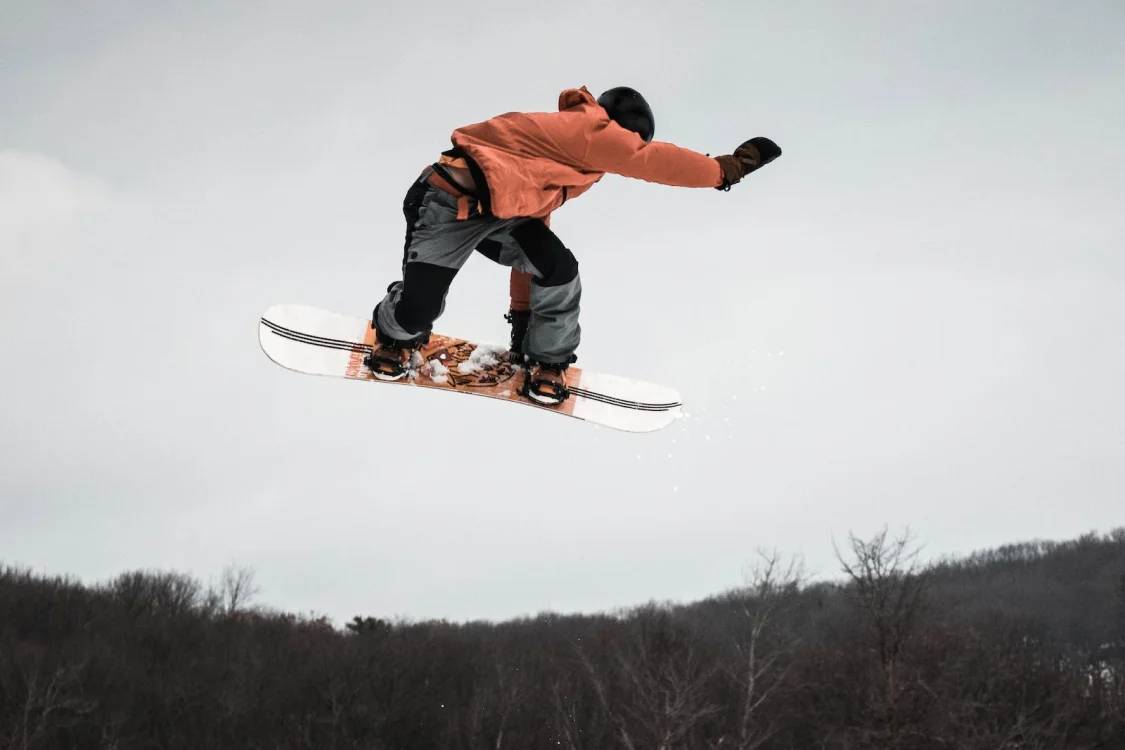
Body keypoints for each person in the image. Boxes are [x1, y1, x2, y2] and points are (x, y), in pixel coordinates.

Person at [366, 86, 781, 404]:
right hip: (445, 204)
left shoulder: (572, 163)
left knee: (558, 268)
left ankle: (547, 359)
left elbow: (533, 238)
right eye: (628, 145)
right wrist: (726, 169)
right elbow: (654, 161)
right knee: (417, 311)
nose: (622, 157)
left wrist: (525, 321)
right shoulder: (589, 129)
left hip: (503, 216)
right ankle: (395, 332)